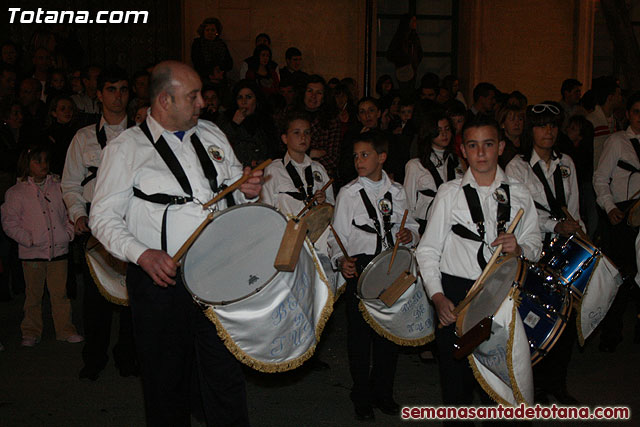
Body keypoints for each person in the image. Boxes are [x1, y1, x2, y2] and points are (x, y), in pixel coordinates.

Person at [89, 60, 263, 426]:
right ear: (165, 100)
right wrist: (142, 254)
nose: (203, 103)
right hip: (162, 282)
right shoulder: (126, 148)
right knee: (165, 384)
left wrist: (247, 190)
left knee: (225, 377)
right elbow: (101, 218)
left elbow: (234, 193)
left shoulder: (213, 133)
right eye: (193, 96)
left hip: (218, 277)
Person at [415, 115, 541, 412]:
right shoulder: (450, 194)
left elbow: (536, 245)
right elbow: (428, 250)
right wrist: (437, 296)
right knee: (456, 386)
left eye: (488, 144)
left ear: (501, 147)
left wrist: (520, 247)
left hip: (502, 295)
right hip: (457, 293)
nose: (481, 153)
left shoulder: (520, 193)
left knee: (500, 385)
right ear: (463, 150)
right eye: (473, 145)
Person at [329, 130, 419, 421]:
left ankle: (383, 391)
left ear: (382, 157)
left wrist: (409, 234)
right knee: (360, 336)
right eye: (355, 155)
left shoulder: (397, 191)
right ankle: (361, 394)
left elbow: (413, 224)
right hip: (362, 266)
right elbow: (336, 237)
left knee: (389, 334)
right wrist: (342, 260)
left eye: (365, 154)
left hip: (390, 265)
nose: (358, 160)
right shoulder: (348, 193)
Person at [62, 66, 137, 381]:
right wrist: (78, 214)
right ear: (99, 94)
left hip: (134, 221)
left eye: (122, 89)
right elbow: (70, 184)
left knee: (134, 296)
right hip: (96, 223)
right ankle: (94, 358)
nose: (117, 96)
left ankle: (129, 358)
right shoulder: (83, 137)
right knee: (96, 299)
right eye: (111, 89)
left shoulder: (143, 135)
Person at [505, 104, 583, 404]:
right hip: (536, 246)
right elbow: (522, 212)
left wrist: (575, 228)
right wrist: (555, 225)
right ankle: (532, 386)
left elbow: (573, 205)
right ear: (530, 130)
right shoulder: (518, 166)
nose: (548, 131)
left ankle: (558, 384)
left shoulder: (567, 164)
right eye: (541, 125)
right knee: (534, 316)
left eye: (552, 125)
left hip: (565, 245)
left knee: (565, 314)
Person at [1, 145, 83, 347]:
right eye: (38, 161)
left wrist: (68, 234)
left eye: (45, 160)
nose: (43, 165)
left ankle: (64, 329)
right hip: (32, 255)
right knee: (33, 296)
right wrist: (28, 239)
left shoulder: (58, 186)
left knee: (59, 295)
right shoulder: (16, 192)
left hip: (58, 252)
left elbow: (68, 213)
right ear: (27, 165)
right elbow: (9, 222)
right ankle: (31, 331)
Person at [593, 91, 640, 353]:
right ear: (628, 114)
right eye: (636, 112)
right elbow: (600, 178)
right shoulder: (617, 141)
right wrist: (610, 208)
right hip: (622, 213)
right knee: (620, 276)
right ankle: (611, 333)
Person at [404, 111, 462, 236]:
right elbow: (408, 204)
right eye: (439, 130)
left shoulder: (458, 162)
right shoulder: (415, 165)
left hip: (455, 224)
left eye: (447, 129)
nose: (444, 134)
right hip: (426, 225)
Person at [216, 79, 280, 167]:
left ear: (256, 100)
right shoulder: (226, 118)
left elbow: (275, 147)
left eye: (248, 97)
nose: (244, 102)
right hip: (237, 170)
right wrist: (234, 124)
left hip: (265, 169)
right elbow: (218, 144)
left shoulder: (266, 119)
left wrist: (265, 161)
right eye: (240, 97)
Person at [302, 75, 342, 179]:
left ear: (324, 97)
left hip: (321, 176)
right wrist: (311, 153)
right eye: (310, 91)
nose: (313, 96)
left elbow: (333, 158)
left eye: (318, 93)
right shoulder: (291, 116)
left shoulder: (332, 120)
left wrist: (304, 160)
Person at [588, 76, 622, 169]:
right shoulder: (592, 120)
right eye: (618, 94)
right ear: (610, 97)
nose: (621, 98)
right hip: (595, 171)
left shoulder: (614, 121)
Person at [386, 15, 423, 96]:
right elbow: (391, 54)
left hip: (412, 68)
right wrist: (404, 60)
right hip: (403, 69)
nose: (415, 23)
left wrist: (415, 62)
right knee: (405, 92)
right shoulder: (400, 37)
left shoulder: (414, 36)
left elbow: (419, 52)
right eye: (413, 21)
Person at [497, 104, 525, 169]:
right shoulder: (501, 146)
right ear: (502, 124)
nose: (517, 123)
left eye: (520, 119)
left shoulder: (528, 142)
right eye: (512, 120)